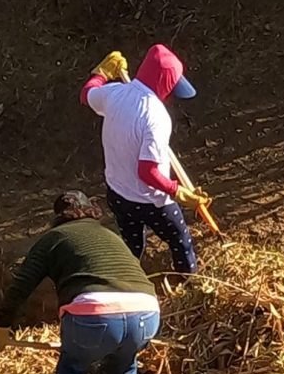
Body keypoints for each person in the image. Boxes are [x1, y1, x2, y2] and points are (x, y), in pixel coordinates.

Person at [0, 192, 161, 374]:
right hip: (146, 312)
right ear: (92, 211)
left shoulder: (53, 238)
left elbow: (21, 285)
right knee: (124, 362)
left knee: (73, 366)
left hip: (95, 317)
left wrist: (0, 323)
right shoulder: (111, 236)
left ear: (58, 218)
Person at [80, 44, 208, 275]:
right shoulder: (156, 117)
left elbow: (87, 94)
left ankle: (128, 281)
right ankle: (189, 284)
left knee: (131, 246)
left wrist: (101, 74)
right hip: (152, 203)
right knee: (181, 242)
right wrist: (177, 191)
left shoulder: (114, 93)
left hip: (117, 194)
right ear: (165, 85)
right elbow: (148, 172)